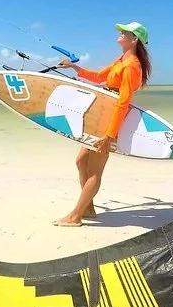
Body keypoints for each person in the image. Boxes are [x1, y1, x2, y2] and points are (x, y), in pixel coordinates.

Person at [53, 21, 152, 227]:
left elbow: (124, 101)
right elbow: (99, 77)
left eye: (124, 32)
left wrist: (109, 135)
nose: (120, 33)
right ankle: (88, 208)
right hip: (101, 116)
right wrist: (74, 67)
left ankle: (75, 216)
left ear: (134, 39)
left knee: (95, 169)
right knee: (81, 161)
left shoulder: (131, 66)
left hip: (110, 122)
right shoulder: (121, 60)